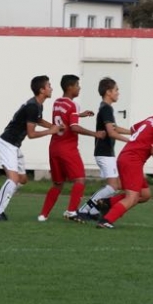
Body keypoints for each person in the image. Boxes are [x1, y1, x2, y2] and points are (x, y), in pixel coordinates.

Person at [97, 95, 153, 229]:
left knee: (145, 194)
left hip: (126, 158)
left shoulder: (152, 119)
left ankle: (106, 203)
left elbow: (134, 130)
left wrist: (118, 129)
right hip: (132, 161)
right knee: (132, 197)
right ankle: (106, 220)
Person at [0, 75, 60, 221]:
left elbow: (37, 120)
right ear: (42, 90)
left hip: (14, 145)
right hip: (7, 144)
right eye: (49, 86)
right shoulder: (32, 106)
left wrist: (54, 126)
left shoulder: (37, 105)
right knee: (13, 179)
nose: (51, 88)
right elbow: (31, 134)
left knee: (22, 179)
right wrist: (51, 131)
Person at [37, 74, 104, 222]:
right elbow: (73, 127)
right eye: (77, 85)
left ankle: (43, 215)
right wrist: (95, 134)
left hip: (54, 147)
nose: (79, 88)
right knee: (80, 179)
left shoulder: (57, 102)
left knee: (57, 184)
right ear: (69, 87)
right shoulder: (73, 105)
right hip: (68, 148)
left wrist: (80, 115)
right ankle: (71, 211)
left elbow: (64, 118)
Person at [78, 77, 130, 220]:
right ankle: (84, 209)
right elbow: (111, 133)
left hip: (106, 153)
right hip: (104, 153)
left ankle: (94, 211)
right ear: (108, 92)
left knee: (116, 185)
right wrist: (131, 141)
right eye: (116, 90)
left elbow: (114, 128)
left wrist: (133, 131)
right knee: (113, 186)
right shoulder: (106, 109)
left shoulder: (106, 107)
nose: (118, 93)